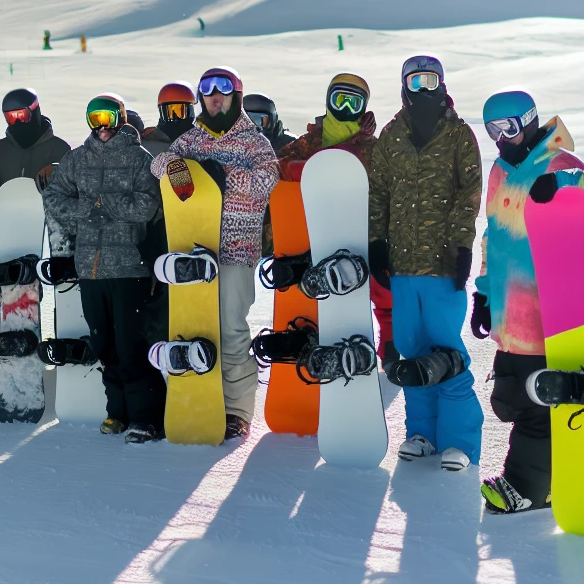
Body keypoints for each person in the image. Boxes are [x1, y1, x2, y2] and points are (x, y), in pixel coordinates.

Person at [471, 90, 584, 515]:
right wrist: (482, 292)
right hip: (509, 311)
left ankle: (529, 488)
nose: (501, 138)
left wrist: (566, 183)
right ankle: (545, 478)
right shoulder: (499, 170)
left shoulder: (557, 163)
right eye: (493, 130)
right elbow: (492, 236)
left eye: (508, 128)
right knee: (510, 398)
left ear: (530, 121)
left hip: (548, 308)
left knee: (537, 402)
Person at [366, 56, 484, 472]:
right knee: (411, 350)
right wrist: (377, 243)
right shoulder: (392, 135)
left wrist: (461, 246)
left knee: (446, 350)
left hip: (442, 263)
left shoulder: (457, 134)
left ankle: (460, 442)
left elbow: (470, 192)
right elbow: (377, 192)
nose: (422, 88)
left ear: (441, 84)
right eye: (415, 81)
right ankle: (421, 434)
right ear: (403, 86)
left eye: (429, 80)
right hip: (401, 263)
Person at [148, 67, 279, 441]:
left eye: (223, 92)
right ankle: (199, 400)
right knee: (195, 329)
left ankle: (237, 411)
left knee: (232, 332)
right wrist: (178, 169)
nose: (215, 98)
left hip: (236, 251)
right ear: (201, 98)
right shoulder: (192, 140)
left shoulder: (254, 141)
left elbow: (264, 182)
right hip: (195, 251)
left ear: (236, 97)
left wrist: (221, 176)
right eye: (208, 93)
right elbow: (160, 164)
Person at [43, 94, 165, 442]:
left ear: (121, 118)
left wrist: (104, 204)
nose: (102, 126)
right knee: (104, 344)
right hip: (90, 269)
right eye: (94, 118)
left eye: (107, 117)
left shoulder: (140, 159)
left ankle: (146, 416)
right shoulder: (77, 159)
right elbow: (53, 196)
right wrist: (85, 211)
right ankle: (118, 412)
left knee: (131, 346)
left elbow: (148, 204)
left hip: (129, 268)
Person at [0, 88, 72, 391]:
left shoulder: (60, 150)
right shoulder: (0, 152)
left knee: (45, 305)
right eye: (11, 116)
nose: (18, 121)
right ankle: (1, 367)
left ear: (35, 111)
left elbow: (78, 194)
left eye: (23, 114)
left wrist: (60, 173)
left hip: (49, 248)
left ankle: (59, 365)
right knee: (7, 309)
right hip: (6, 245)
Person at [277, 73, 392, 362]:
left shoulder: (374, 148)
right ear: (328, 100)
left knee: (377, 284)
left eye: (354, 103)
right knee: (318, 287)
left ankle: (389, 341)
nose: (345, 108)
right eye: (339, 99)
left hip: (360, 229)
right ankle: (314, 347)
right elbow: (279, 172)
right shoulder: (307, 143)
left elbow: (386, 192)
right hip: (314, 229)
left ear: (364, 107)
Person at [141, 81, 197, 156]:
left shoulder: (202, 142)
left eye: (181, 111)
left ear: (191, 112)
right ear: (162, 112)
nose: (176, 116)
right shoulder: (145, 146)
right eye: (170, 112)